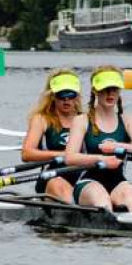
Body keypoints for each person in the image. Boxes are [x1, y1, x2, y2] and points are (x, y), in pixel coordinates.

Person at [65, 66, 132, 211]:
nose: (110, 93)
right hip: (88, 182)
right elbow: (70, 157)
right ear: (95, 91)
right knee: (102, 199)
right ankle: (108, 218)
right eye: (105, 89)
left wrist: (118, 146)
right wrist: (102, 159)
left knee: (130, 196)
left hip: (118, 181)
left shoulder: (127, 120)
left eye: (114, 89)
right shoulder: (82, 120)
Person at [21, 69, 84, 204]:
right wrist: (64, 154)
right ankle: (78, 211)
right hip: (52, 176)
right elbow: (27, 153)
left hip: (83, 175)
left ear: (77, 96)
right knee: (59, 184)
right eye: (61, 95)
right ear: (52, 96)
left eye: (71, 94)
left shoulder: (86, 119)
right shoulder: (41, 119)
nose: (66, 100)